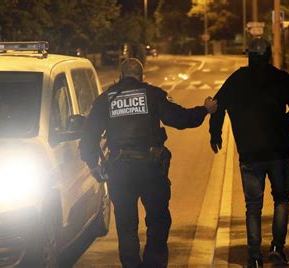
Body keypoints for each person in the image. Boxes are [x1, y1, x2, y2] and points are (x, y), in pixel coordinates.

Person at [79, 58, 218, 268]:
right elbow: (180, 119)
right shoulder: (152, 94)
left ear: (120, 75)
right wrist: (205, 110)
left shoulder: (105, 99)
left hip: (119, 170)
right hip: (150, 169)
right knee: (158, 221)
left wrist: (93, 165)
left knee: (126, 227)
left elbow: (88, 137)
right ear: (141, 76)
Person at [209, 37, 289, 267]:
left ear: (248, 54)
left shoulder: (237, 79)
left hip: (249, 153)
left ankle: (254, 257)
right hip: (278, 151)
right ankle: (278, 248)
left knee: (253, 206)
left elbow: (217, 106)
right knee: (281, 199)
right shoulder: (281, 78)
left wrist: (215, 134)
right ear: (269, 54)